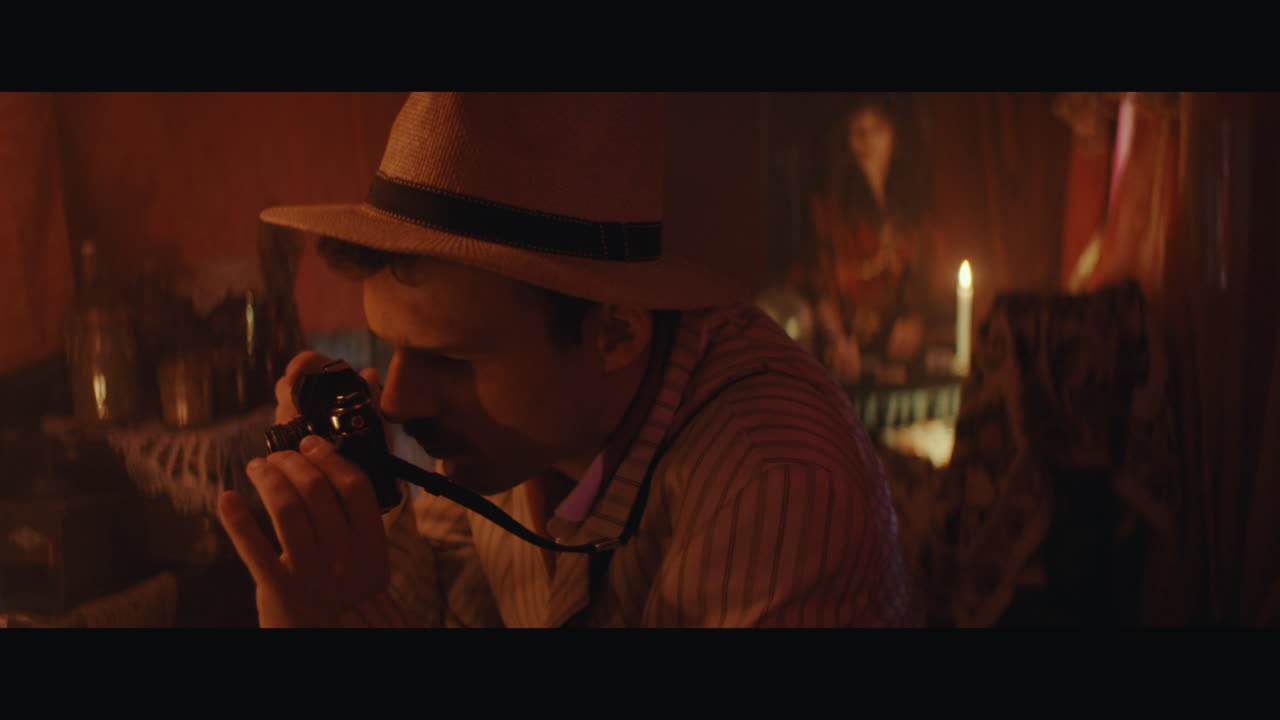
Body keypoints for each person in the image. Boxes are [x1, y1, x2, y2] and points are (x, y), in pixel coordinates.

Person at [216, 92, 911, 627]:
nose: (396, 401)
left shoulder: (776, 488)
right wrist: (364, 530)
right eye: (390, 348)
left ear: (614, 334)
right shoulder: (508, 441)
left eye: (451, 358)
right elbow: (444, 603)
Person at [801, 93, 940, 383]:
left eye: (877, 129)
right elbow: (816, 281)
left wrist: (916, 321)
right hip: (844, 362)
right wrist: (836, 339)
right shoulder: (828, 208)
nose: (867, 140)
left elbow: (928, 276)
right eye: (857, 131)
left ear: (895, 134)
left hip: (905, 364)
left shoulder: (915, 208)